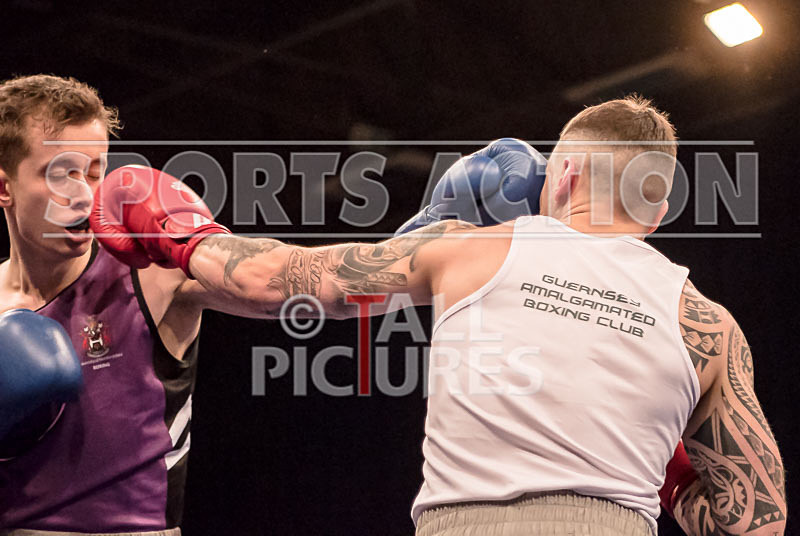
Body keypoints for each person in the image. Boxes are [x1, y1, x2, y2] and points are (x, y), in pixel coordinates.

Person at [91, 96, 786, 535]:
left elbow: (280, 282)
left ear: (563, 175)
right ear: (658, 212)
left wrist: (183, 232)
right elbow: (754, 520)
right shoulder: (706, 324)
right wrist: (671, 479)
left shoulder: (468, 248)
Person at [0, 74, 265, 535]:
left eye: (94, 171)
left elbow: (286, 283)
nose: (82, 193)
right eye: (62, 173)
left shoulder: (150, 274)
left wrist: (420, 254)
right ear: (4, 187)